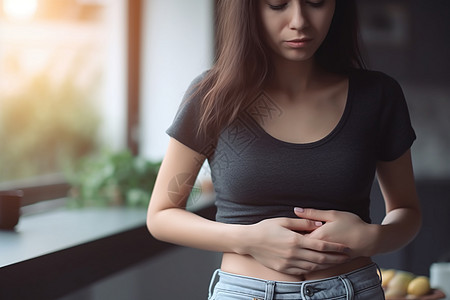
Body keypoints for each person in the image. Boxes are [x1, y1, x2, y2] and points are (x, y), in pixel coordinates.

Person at [147, 0, 421, 299]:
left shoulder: (378, 95)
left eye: (316, 2)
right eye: (277, 4)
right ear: (248, 10)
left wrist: (371, 238)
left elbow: (406, 212)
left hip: (353, 290)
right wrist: (249, 239)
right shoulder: (211, 96)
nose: (299, 20)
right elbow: (162, 215)